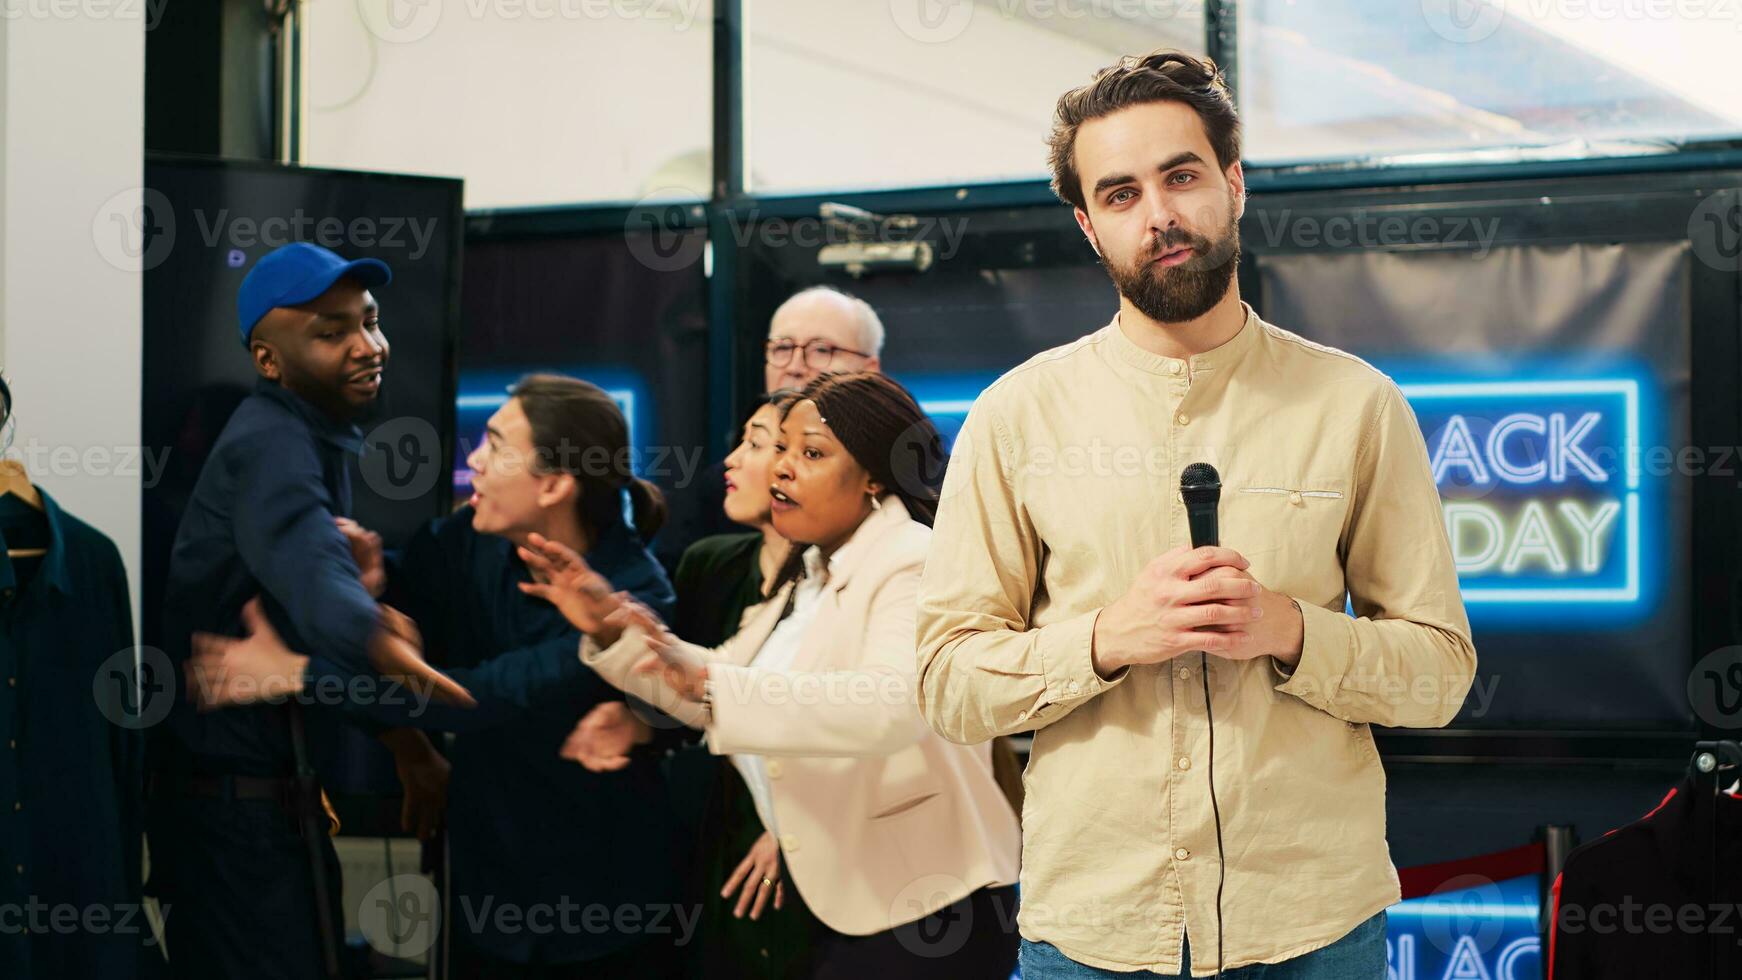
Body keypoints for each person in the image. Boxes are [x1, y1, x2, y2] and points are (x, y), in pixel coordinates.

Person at [913, 51, 1478, 979]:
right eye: (1122, 194)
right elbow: (946, 682)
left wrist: (1292, 631)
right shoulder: (1017, 416)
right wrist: (1107, 638)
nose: (1161, 215)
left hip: (1314, 927)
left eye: (1181, 176)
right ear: (1090, 227)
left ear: (1234, 183)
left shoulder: (1356, 405)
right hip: (1093, 932)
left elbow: (1441, 673)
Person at [186, 375, 690, 976]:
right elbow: (408, 604)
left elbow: (475, 697)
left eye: (497, 446)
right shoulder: (472, 539)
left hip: (603, 914)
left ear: (555, 484)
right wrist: (373, 586)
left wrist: (297, 673)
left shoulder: (631, 600)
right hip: (486, 892)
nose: (472, 460)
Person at [523, 372, 1022, 979]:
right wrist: (611, 631)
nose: (782, 468)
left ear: (873, 475)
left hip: (929, 902)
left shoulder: (910, 558)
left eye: (810, 453)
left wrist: (707, 682)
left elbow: (889, 705)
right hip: (847, 899)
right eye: (780, 448)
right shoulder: (812, 568)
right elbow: (718, 685)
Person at [146, 242, 469, 980]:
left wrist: (408, 748)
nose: (368, 347)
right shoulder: (272, 442)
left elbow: (302, 612)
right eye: (332, 333)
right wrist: (376, 634)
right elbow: (312, 567)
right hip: (235, 823)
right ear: (268, 360)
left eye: (372, 322)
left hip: (270, 810)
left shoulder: (305, 438)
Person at [657, 286, 885, 570]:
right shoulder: (723, 486)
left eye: (821, 350)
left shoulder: (912, 472)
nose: (795, 366)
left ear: (870, 368)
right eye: (782, 348)